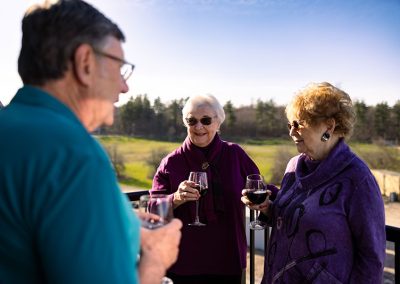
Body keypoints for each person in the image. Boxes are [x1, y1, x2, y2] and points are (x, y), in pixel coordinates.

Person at [0, 1, 182, 283]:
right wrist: (156, 260)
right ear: (85, 62)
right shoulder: (73, 155)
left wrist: (122, 226)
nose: (124, 86)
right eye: (120, 68)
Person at [242, 82, 386, 283]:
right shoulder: (293, 166)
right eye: (289, 124)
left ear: (329, 126)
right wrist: (268, 208)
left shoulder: (357, 179)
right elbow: (290, 221)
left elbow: (372, 260)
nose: (292, 132)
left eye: (298, 124)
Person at [151, 94, 260, 284]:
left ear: (219, 123)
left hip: (228, 259)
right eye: (191, 121)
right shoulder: (171, 162)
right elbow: (152, 207)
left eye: (206, 120)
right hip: (183, 262)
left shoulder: (235, 155)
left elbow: (260, 188)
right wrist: (175, 198)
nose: (198, 127)